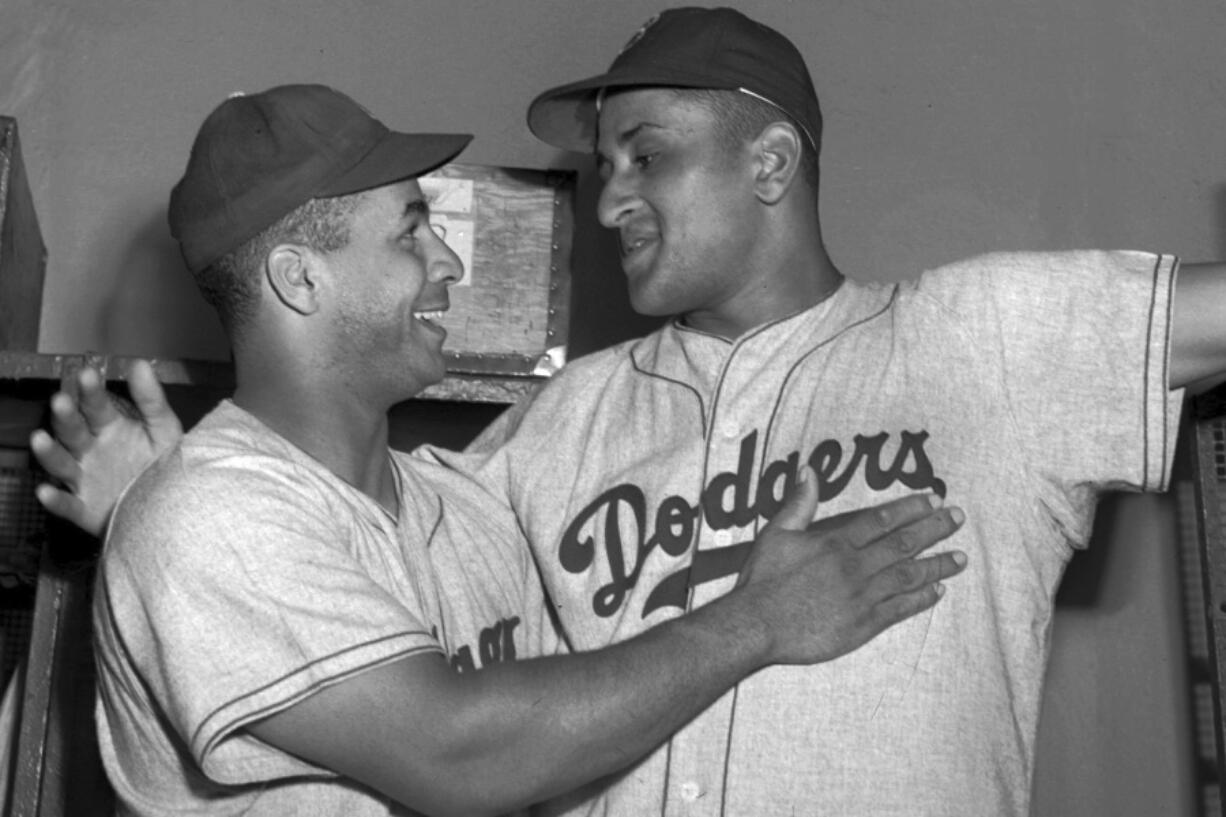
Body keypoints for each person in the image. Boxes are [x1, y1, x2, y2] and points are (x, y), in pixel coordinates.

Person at [32, 7, 1223, 816]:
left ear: (768, 162)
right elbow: (327, 564)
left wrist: (163, 500)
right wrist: (163, 507)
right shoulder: (557, 428)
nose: (606, 203)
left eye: (643, 157)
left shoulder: (982, 338)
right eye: (601, 167)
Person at [63, 82, 967, 816]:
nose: (449, 265)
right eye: (412, 231)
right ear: (301, 278)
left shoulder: (466, 512)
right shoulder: (207, 517)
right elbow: (458, 751)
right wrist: (761, 619)